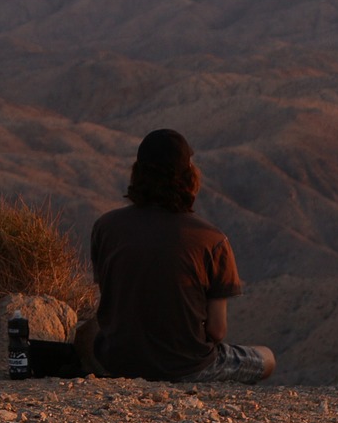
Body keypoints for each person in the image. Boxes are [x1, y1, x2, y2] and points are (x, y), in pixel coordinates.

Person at [85, 129, 275, 383]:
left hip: (117, 362)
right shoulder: (212, 240)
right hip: (188, 367)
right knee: (267, 357)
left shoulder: (105, 227)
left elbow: (111, 302)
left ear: (137, 174)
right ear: (189, 178)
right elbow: (217, 330)